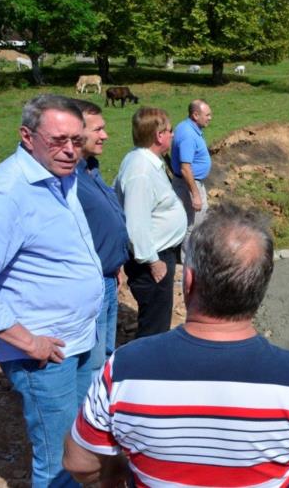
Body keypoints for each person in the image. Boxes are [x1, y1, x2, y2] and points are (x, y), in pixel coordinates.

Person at [64, 202, 289, 488]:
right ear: (259, 288)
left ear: (188, 282)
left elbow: (79, 464)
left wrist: (123, 471)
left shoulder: (123, 369)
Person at [0, 94, 104, 487]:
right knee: (60, 461)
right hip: (45, 354)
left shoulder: (59, 176)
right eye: (58, 140)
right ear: (26, 136)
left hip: (78, 337)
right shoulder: (9, 193)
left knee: (84, 445)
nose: (70, 150)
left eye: (76, 139)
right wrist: (28, 342)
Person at [114, 107, 186, 339]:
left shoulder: (144, 161)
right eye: (170, 130)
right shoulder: (141, 172)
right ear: (159, 135)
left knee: (157, 319)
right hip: (151, 260)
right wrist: (153, 262)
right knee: (154, 327)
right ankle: (146, 370)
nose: (173, 135)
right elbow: (136, 224)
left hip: (157, 254)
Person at [72, 99, 129, 372]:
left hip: (108, 277)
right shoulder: (67, 177)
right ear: (76, 131)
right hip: (89, 284)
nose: (105, 135)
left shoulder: (90, 168)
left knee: (106, 350)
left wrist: (115, 263)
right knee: (92, 361)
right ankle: (90, 410)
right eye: (98, 129)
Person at [171, 99, 212, 246]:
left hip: (190, 182)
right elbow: (185, 168)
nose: (210, 118)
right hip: (189, 183)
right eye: (207, 115)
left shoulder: (186, 127)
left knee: (196, 223)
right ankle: (189, 263)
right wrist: (195, 195)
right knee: (193, 226)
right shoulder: (188, 134)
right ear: (195, 115)